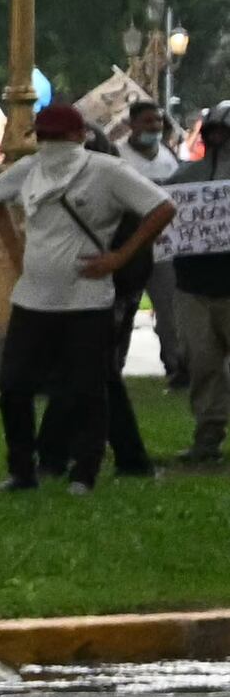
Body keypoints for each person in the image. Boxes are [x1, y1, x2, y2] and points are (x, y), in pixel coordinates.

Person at [0, 103, 172, 494]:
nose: (51, 145)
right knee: (14, 386)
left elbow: (162, 207)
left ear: (79, 137)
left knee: (87, 388)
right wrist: (16, 250)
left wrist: (120, 256)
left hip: (87, 299)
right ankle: (22, 470)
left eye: (57, 136)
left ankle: (84, 472)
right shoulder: (31, 169)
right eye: (45, 137)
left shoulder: (106, 171)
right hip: (32, 297)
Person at [159, 129, 230, 467]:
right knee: (202, 365)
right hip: (193, 288)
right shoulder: (184, 176)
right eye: (217, 132)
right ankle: (207, 436)